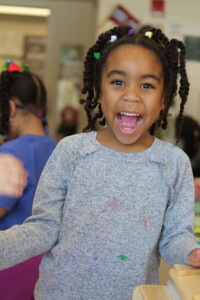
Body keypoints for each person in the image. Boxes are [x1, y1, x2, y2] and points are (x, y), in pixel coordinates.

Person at [0, 27, 200, 300]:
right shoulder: (71, 151)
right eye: (118, 82)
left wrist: (191, 252)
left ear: (164, 100)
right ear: (98, 90)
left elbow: (174, 237)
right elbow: (43, 227)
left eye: (147, 85)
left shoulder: (173, 163)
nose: (131, 95)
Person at [0, 60, 56, 300]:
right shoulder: (61, 150)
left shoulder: (7, 154)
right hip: (44, 271)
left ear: (11, 109)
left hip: (7, 268)